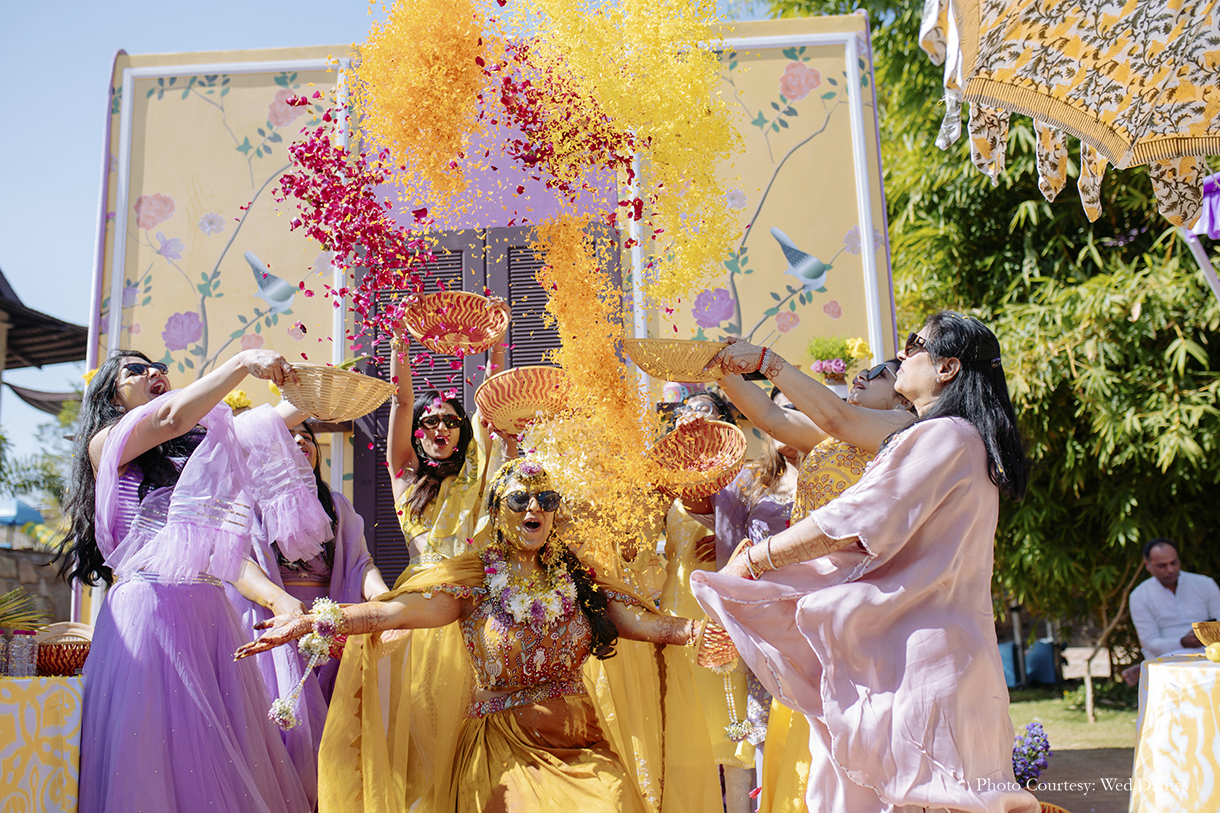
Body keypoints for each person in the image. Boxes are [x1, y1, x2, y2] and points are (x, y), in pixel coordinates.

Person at [693, 312, 1040, 813]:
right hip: (891, 651)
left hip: (912, 657)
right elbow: (796, 425)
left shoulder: (941, 436)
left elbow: (850, 518)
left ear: (947, 369)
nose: (902, 354)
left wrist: (755, 562)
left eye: (915, 345)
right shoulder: (956, 439)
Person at [237, 457, 726, 813]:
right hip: (501, 743)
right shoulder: (475, 579)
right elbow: (392, 614)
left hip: (580, 740)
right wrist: (316, 620)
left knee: (615, 804)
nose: (534, 506)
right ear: (498, 510)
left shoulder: (579, 577)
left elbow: (639, 624)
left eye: (546, 499)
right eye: (520, 498)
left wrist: (698, 631)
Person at [60, 348, 327, 813]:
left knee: (223, 756)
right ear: (108, 394)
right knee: (156, 757)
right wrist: (244, 360)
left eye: (159, 367)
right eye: (136, 370)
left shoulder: (193, 455)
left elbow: (271, 422)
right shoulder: (105, 445)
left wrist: (325, 389)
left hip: (210, 615)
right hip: (150, 613)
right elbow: (169, 418)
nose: (155, 373)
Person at [712, 360, 913, 813]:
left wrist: (767, 360)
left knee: (849, 726)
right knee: (805, 721)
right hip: (809, 598)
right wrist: (721, 371)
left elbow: (834, 415)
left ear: (902, 394)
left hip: (859, 600)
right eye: (861, 370)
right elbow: (770, 417)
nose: (862, 376)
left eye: (878, 373)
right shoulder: (834, 437)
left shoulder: (903, 431)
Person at [1129, 538, 1220, 659]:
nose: (1170, 569)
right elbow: (1150, 643)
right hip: (1166, 660)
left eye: (1174, 563)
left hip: (1211, 654)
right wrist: (1182, 642)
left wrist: (1206, 636)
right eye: (1162, 566)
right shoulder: (1139, 596)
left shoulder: (1205, 584)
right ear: (1148, 566)